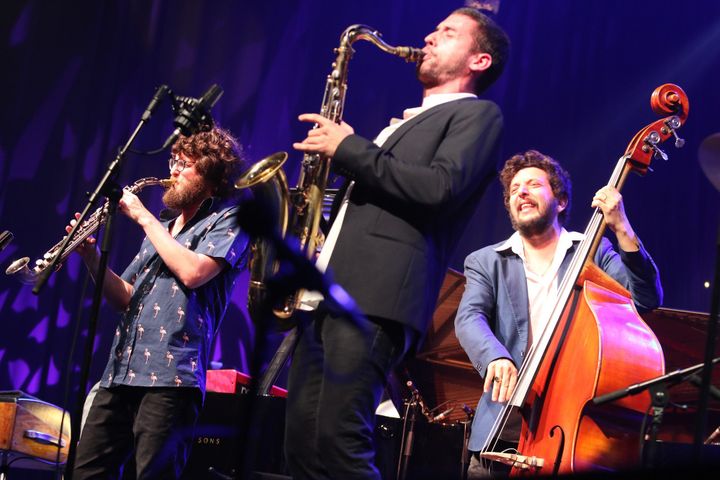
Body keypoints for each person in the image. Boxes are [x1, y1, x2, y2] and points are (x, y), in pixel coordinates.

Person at [284, 7, 510, 480]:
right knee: (302, 446)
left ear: (479, 61)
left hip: (375, 299)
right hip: (328, 292)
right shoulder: (404, 122)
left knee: (339, 441)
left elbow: (438, 188)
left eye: (447, 33)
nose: (429, 37)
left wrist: (348, 148)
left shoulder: (478, 114)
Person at [454, 149, 663, 478]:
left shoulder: (593, 252)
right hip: (502, 429)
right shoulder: (486, 261)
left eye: (533, 184)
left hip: (570, 427)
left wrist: (621, 227)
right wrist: (494, 356)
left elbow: (646, 299)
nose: (521, 191)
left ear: (561, 201)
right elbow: (469, 317)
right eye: (513, 190)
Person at [71, 127, 249, 479]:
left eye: (184, 164)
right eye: (173, 161)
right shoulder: (164, 228)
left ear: (211, 174)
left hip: (171, 380)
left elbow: (193, 272)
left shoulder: (228, 221)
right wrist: (91, 256)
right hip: (120, 373)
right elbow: (124, 296)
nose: (173, 171)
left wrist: (143, 217)